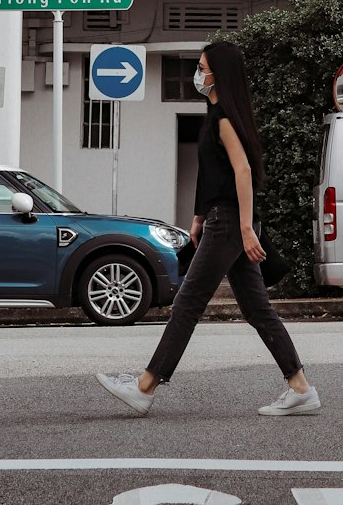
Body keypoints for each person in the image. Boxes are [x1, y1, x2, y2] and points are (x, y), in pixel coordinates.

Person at [96, 40, 320, 418]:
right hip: (221, 219)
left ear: (219, 73)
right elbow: (213, 175)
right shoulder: (215, 114)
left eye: (201, 67)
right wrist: (198, 216)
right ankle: (300, 388)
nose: (196, 74)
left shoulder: (224, 119)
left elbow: (243, 172)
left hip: (230, 222)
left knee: (187, 303)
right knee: (257, 309)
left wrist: (246, 229)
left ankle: (144, 386)